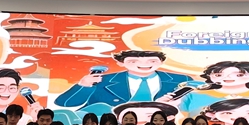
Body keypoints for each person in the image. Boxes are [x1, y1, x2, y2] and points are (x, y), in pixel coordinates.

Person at [56, 50, 188, 116]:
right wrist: (83, 85)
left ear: (161, 62)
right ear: (120, 63)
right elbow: (65, 103)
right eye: (133, 61)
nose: (144, 64)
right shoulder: (101, 80)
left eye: (152, 61)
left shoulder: (182, 80)